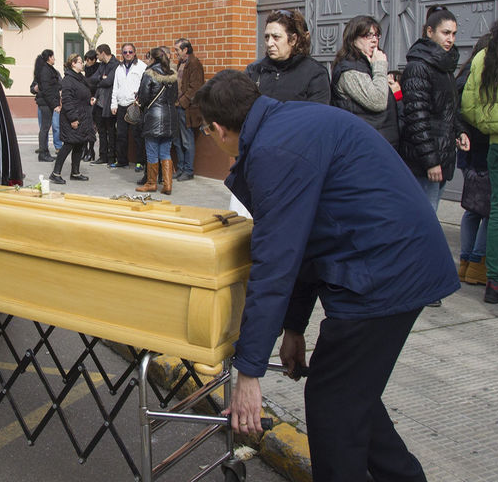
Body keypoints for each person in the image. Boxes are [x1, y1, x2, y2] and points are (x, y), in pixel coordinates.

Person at [194, 69, 458, 482]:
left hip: (385, 272)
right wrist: (295, 327)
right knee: (352, 397)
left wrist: (249, 371)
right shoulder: (289, 123)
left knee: (333, 405)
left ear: (217, 129)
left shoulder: (273, 150)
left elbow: (276, 263)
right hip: (393, 260)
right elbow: (304, 243)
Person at [399, 5, 469, 213]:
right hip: (424, 160)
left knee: (428, 217)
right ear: (430, 32)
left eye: (454, 34)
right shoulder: (419, 67)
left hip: (441, 155)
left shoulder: (444, 66)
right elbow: (416, 118)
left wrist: (460, 131)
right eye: (445, 33)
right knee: (423, 219)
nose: (451, 39)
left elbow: (448, 109)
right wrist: (431, 161)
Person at [461, 7, 498, 304]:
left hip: (497, 145)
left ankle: (496, 284)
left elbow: (467, 104)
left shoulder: (485, 55)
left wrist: (487, 124)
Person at [330, 15, 399, 148]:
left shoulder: (367, 64)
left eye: (376, 35)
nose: (374, 40)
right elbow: (377, 101)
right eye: (367, 35)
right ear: (353, 39)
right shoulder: (350, 70)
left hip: (379, 143)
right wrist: (380, 67)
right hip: (364, 145)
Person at [456, 35, 490, 287]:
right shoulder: (482, 74)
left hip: (468, 149)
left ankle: (467, 261)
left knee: (472, 209)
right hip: (482, 147)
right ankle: (477, 263)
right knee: (491, 209)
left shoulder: (462, 75)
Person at [245, 9, 330, 104]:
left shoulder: (315, 73)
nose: (269, 43)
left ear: (293, 39)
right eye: (267, 37)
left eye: (276, 37)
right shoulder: (254, 70)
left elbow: (317, 114)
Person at [136, 47, 179, 194]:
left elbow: (143, 97)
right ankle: (167, 185)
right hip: (170, 116)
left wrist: (141, 104)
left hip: (153, 116)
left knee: (152, 151)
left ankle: (151, 183)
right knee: (166, 152)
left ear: (153, 59)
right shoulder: (173, 75)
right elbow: (175, 97)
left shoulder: (149, 74)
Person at [49, 53, 95, 184]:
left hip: (83, 115)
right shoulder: (68, 80)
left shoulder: (80, 78)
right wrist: (73, 119)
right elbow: (67, 100)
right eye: (80, 61)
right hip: (73, 117)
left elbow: (83, 93)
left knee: (79, 144)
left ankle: (75, 172)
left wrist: (89, 100)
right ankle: (55, 173)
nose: (82, 63)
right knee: (68, 145)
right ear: (73, 63)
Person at [110, 42, 147, 169]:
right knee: (121, 135)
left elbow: (145, 85)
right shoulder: (119, 68)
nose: (128, 54)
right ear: (122, 54)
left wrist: (140, 98)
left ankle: (140, 162)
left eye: (130, 52)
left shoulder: (142, 66)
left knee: (137, 135)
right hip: (121, 105)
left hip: (134, 104)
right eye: (125, 52)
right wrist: (113, 104)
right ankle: (122, 160)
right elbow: (115, 87)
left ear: (134, 53)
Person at [173, 37, 205, 181]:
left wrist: (182, 102)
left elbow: (195, 88)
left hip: (187, 109)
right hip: (178, 107)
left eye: (177, 50)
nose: (176, 53)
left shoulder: (194, 64)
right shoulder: (182, 63)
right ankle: (181, 168)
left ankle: (188, 170)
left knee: (187, 140)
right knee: (178, 140)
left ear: (185, 50)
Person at [91, 44, 118, 165]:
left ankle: (112, 157)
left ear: (103, 53)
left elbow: (109, 82)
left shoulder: (115, 64)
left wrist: (101, 80)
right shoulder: (102, 65)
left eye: (97, 54)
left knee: (111, 131)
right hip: (99, 103)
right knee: (101, 131)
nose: (96, 57)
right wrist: (102, 79)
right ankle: (103, 156)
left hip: (109, 103)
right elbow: (93, 78)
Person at [34, 49, 62, 162]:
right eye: (53, 56)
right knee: (45, 129)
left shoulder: (48, 69)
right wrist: (54, 104)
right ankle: (43, 153)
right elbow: (47, 90)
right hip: (46, 104)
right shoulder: (45, 70)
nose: (54, 58)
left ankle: (45, 152)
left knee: (45, 128)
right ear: (49, 57)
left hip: (47, 103)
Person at [83, 49, 101, 162]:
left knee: (92, 128)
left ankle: (91, 150)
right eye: (86, 60)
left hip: (95, 100)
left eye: (89, 60)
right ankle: (84, 150)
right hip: (86, 100)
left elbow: (95, 83)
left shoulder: (99, 68)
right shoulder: (85, 69)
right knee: (84, 127)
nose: (87, 62)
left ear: (94, 59)